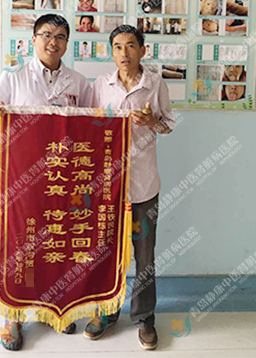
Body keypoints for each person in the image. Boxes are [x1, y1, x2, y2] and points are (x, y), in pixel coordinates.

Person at [0, 14, 93, 350]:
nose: (53, 42)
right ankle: (12, 316)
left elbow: (91, 125)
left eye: (60, 37)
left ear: (67, 43)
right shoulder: (14, 77)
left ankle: (56, 310)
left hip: (63, 178)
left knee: (59, 243)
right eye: (46, 34)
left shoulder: (79, 83)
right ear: (33, 39)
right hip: (23, 180)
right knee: (20, 243)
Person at [84, 25, 174, 350]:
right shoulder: (101, 85)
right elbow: (88, 124)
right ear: (112, 52)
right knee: (106, 253)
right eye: (118, 47)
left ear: (143, 50)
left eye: (131, 46)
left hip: (144, 185)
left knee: (144, 256)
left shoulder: (155, 83)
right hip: (109, 187)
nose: (125, 53)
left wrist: (151, 122)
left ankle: (144, 318)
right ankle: (105, 312)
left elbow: (169, 124)